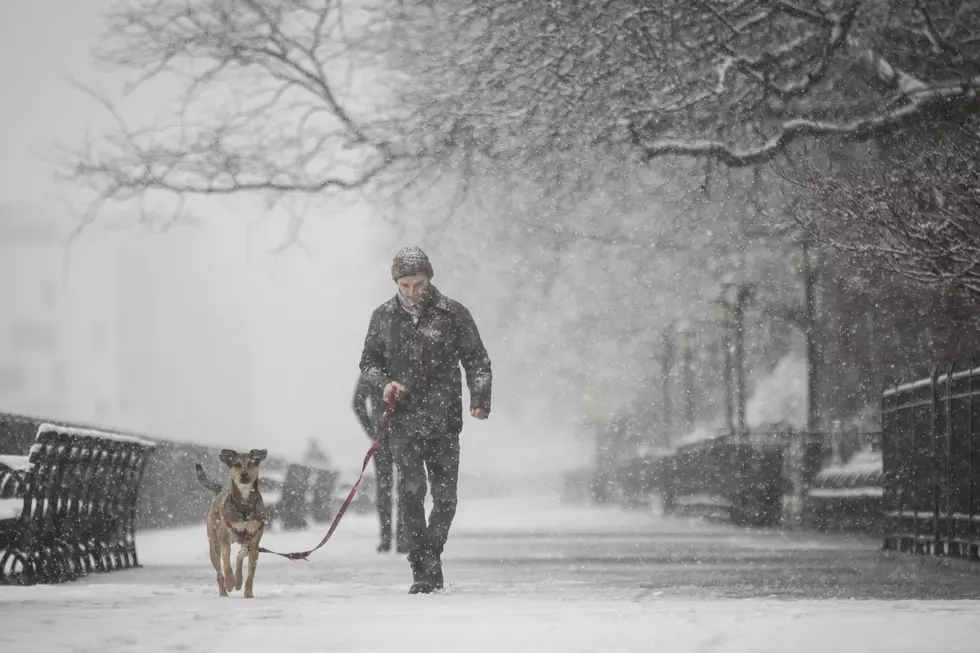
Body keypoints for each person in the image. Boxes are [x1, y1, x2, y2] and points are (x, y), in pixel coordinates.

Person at [358, 246, 492, 594]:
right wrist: (384, 384)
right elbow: (368, 364)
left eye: (418, 284)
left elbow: (476, 359)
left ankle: (431, 553)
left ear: (429, 279)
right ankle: (422, 568)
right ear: (396, 283)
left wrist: (480, 400)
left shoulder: (453, 313)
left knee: (446, 498)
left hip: (445, 420)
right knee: (412, 492)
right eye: (405, 285)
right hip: (402, 422)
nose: (412, 292)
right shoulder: (382, 317)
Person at [352, 374, 408, 554]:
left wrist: (371, 428)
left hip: (382, 435)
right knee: (405, 487)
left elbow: (357, 403)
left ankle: (386, 538)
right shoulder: (403, 366)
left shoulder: (371, 371)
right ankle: (401, 537)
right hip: (402, 435)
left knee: (385, 488)